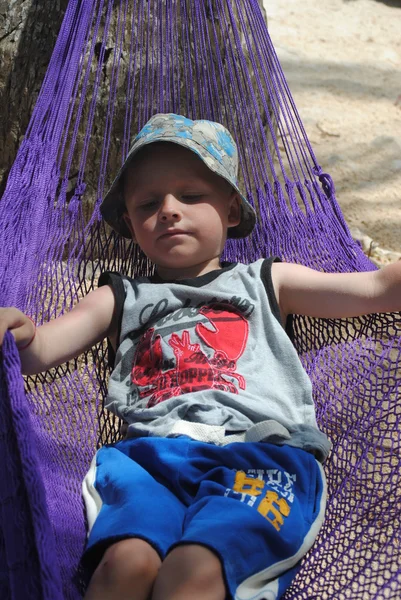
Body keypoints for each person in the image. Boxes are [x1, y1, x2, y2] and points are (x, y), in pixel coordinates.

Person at [0, 113, 400, 600]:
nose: (168, 210)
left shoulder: (267, 281)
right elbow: (41, 349)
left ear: (231, 211)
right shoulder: (120, 296)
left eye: (191, 196)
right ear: (130, 223)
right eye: (149, 204)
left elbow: (377, 288)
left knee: (193, 573)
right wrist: (20, 332)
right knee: (124, 566)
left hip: (259, 458)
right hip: (148, 460)